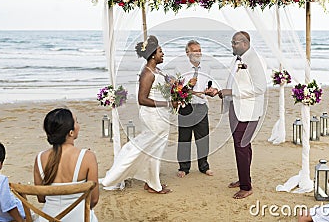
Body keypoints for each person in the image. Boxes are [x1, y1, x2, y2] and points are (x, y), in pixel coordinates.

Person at [101, 35, 172, 194]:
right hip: (153, 116)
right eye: (160, 51)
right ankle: (152, 184)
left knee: (155, 149)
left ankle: (151, 182)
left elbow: (162, 88)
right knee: (150, 147)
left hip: (161, 115)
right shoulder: (147, 73)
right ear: (153, 54)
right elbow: (142, 99)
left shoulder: (157, 70)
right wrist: (167, 103)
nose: (163, 53)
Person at [217, 31, 267, 199]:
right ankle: (243, 178)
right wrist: (221, 92)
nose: (232, 45)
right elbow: (234, 82)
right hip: (235, 107)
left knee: (241, 147)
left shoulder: (254, 60)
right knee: (243, 146)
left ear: (245, 44)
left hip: (247, 111)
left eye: (235, 43)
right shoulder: (238, 58)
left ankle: (246, 187)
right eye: (232, 42)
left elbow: (260, 88)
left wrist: (232, 92)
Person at [34, 108, 99, 222]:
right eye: (76, 122)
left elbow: (41, 198)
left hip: (49, 218)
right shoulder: (87, 157)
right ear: (71, 132)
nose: (78, 125)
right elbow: (94, 199)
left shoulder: (39, 158)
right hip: (79, 218)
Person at [174, 40, 214, 178]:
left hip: (202, 106)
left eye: (199, 50)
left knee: (202, 138)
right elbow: (176, 91)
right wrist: (188, 86)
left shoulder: (207, 68)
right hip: (186, 106)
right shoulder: (180, 68)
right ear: (187, 53)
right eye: (195, 50)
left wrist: (210, 90)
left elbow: (207, 86)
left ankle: (204, 166)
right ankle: (184, 167)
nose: (198, 53)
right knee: (184, 138)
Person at [0, 139, 25, 222]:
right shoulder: (0, 180)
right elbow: (8, 206)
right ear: (0, 163)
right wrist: (20, 220)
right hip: (8, 219)